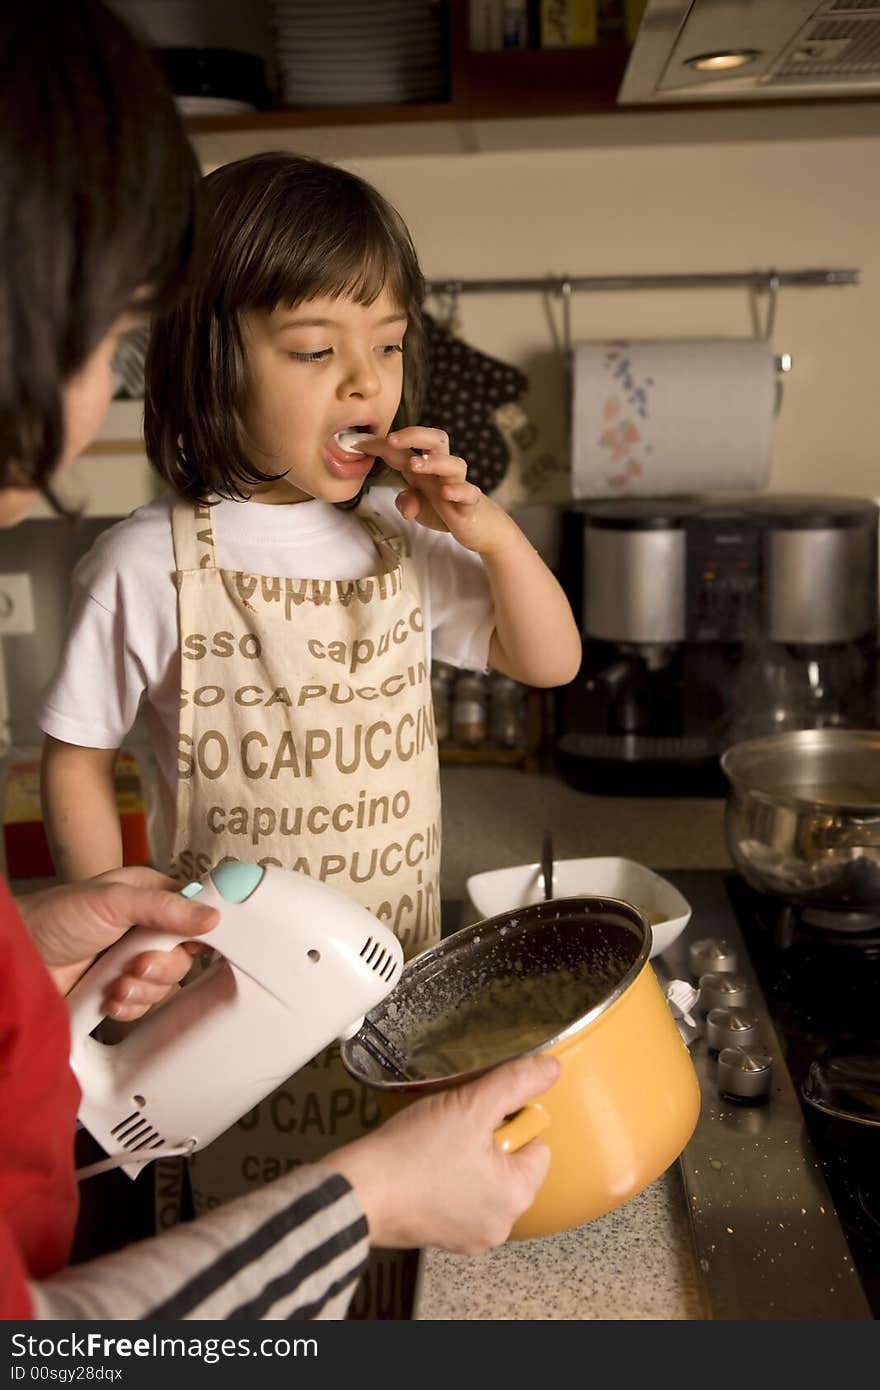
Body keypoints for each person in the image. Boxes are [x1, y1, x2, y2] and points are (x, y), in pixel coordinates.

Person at [0, 0, 561, 1322]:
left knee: (388, 1271)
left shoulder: (399, 540)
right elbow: (72, 754)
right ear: (203, 360)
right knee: (254, 1230)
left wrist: (483, 525)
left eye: (386, 345)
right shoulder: (149, 557)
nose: (365, 382)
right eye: (316, 352)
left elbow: (549, 656)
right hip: (230, 1003)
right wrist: (119, 913)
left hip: (404, 995)